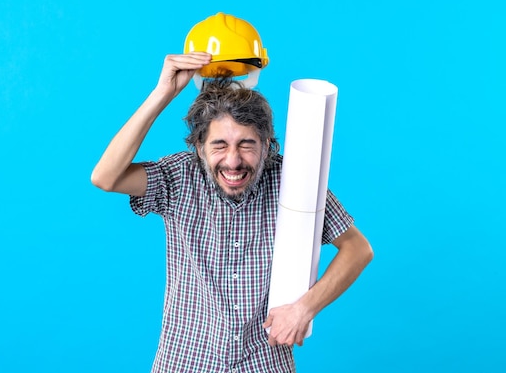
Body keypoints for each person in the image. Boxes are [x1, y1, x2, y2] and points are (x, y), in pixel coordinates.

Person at [91, 51, 373, 372]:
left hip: (264, 361)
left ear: (267, 144)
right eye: (220, 145)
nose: (233, 161)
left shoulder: (294, 181)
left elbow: (358, 249)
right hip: (186, 360)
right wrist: (163, 93)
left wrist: (304, 309)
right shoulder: (180, 177)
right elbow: (105, 177)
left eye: (247, 144)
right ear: (199, 147)